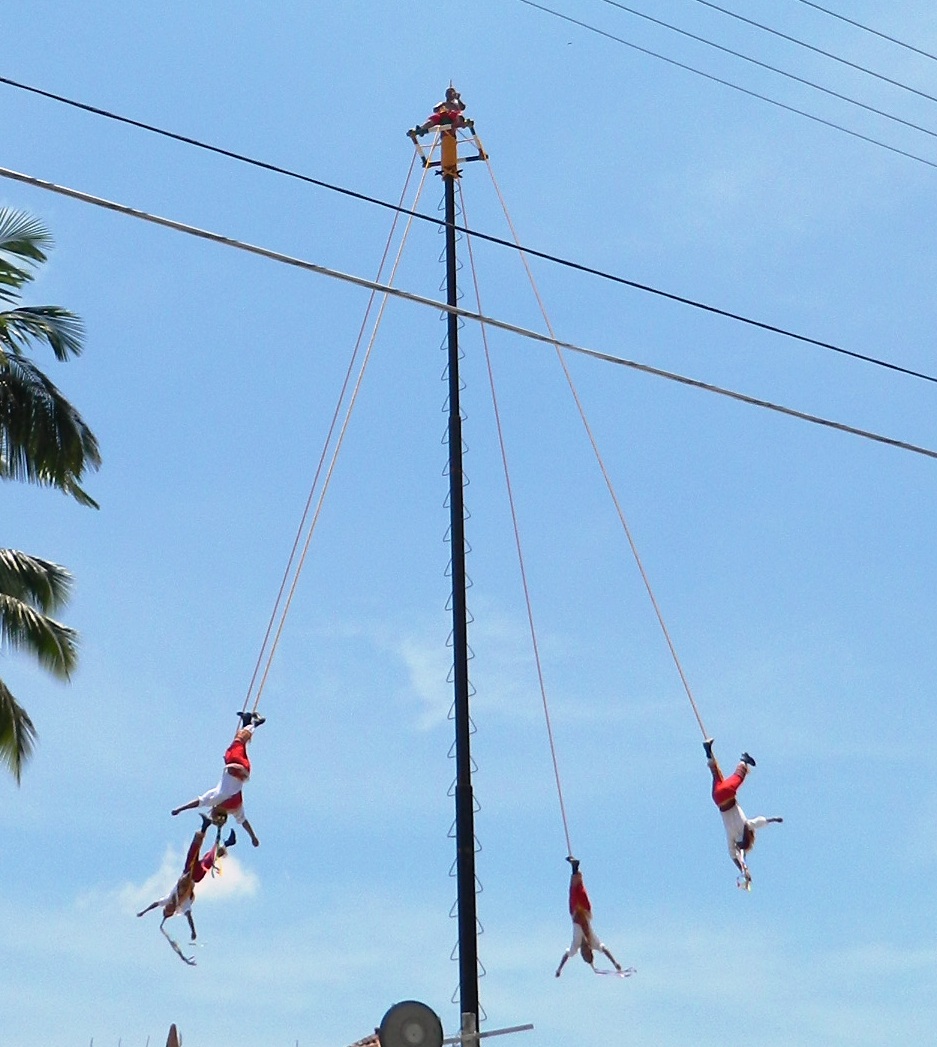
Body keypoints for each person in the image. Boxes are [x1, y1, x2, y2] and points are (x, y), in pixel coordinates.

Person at [171, 711, 264, 847]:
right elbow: (198, 802)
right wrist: (180, 809)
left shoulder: (234, 809)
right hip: (236, 766)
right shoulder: (215, 799)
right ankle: (255, 723)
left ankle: (247, 721)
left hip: (242, 770)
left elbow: (244, 822)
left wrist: (253, 837)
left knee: (240, 744)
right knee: (239, 741)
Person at [136, 814, 236, 940]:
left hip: (188, 870)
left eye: (167, 908)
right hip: (195, 876)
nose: (168, 907)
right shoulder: (183, 906)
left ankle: (205, 825)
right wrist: (193, 932)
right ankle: (228, 843)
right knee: (209, 858)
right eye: (169, 910)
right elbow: (189, 917)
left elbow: (155, 904)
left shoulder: (168, 899)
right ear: (172, 912)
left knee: (193, 850)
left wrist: (143, 912)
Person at [704, 738, 783, 888]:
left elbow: (758, 823)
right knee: (716, 773)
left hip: (727, 795)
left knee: (737, 777)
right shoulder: (735, 836)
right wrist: (742, 869)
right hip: (717, 798)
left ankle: (743, 760)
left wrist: (773, 820)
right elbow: (734, 854)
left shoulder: (745, 827)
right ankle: (708, 751)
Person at [555, 857, 624, 976]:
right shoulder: (594, 943)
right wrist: (615, 963)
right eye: (587, 952)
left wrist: (559, 969)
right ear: (590, 951)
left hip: (575, 910)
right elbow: (605, 950)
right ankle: (575, 867)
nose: (584, 950)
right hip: (585, 910)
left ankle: (574, 867)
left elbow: (567, 955)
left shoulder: (575, 946)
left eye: (583, 953)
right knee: (579, 887)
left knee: (573, 889)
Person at [407, 86, 475, 139]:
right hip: (442, 117)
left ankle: (458, 125)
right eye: (448, 92)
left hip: (453, 118)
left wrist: (458, 99)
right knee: (434, 118)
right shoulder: (443, 104)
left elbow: (462, 107)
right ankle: (422, 129)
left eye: (452, 92)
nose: (450, 94)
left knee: (457, 116)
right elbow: (435, 109)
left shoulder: (456, 103)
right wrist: (443, 105)